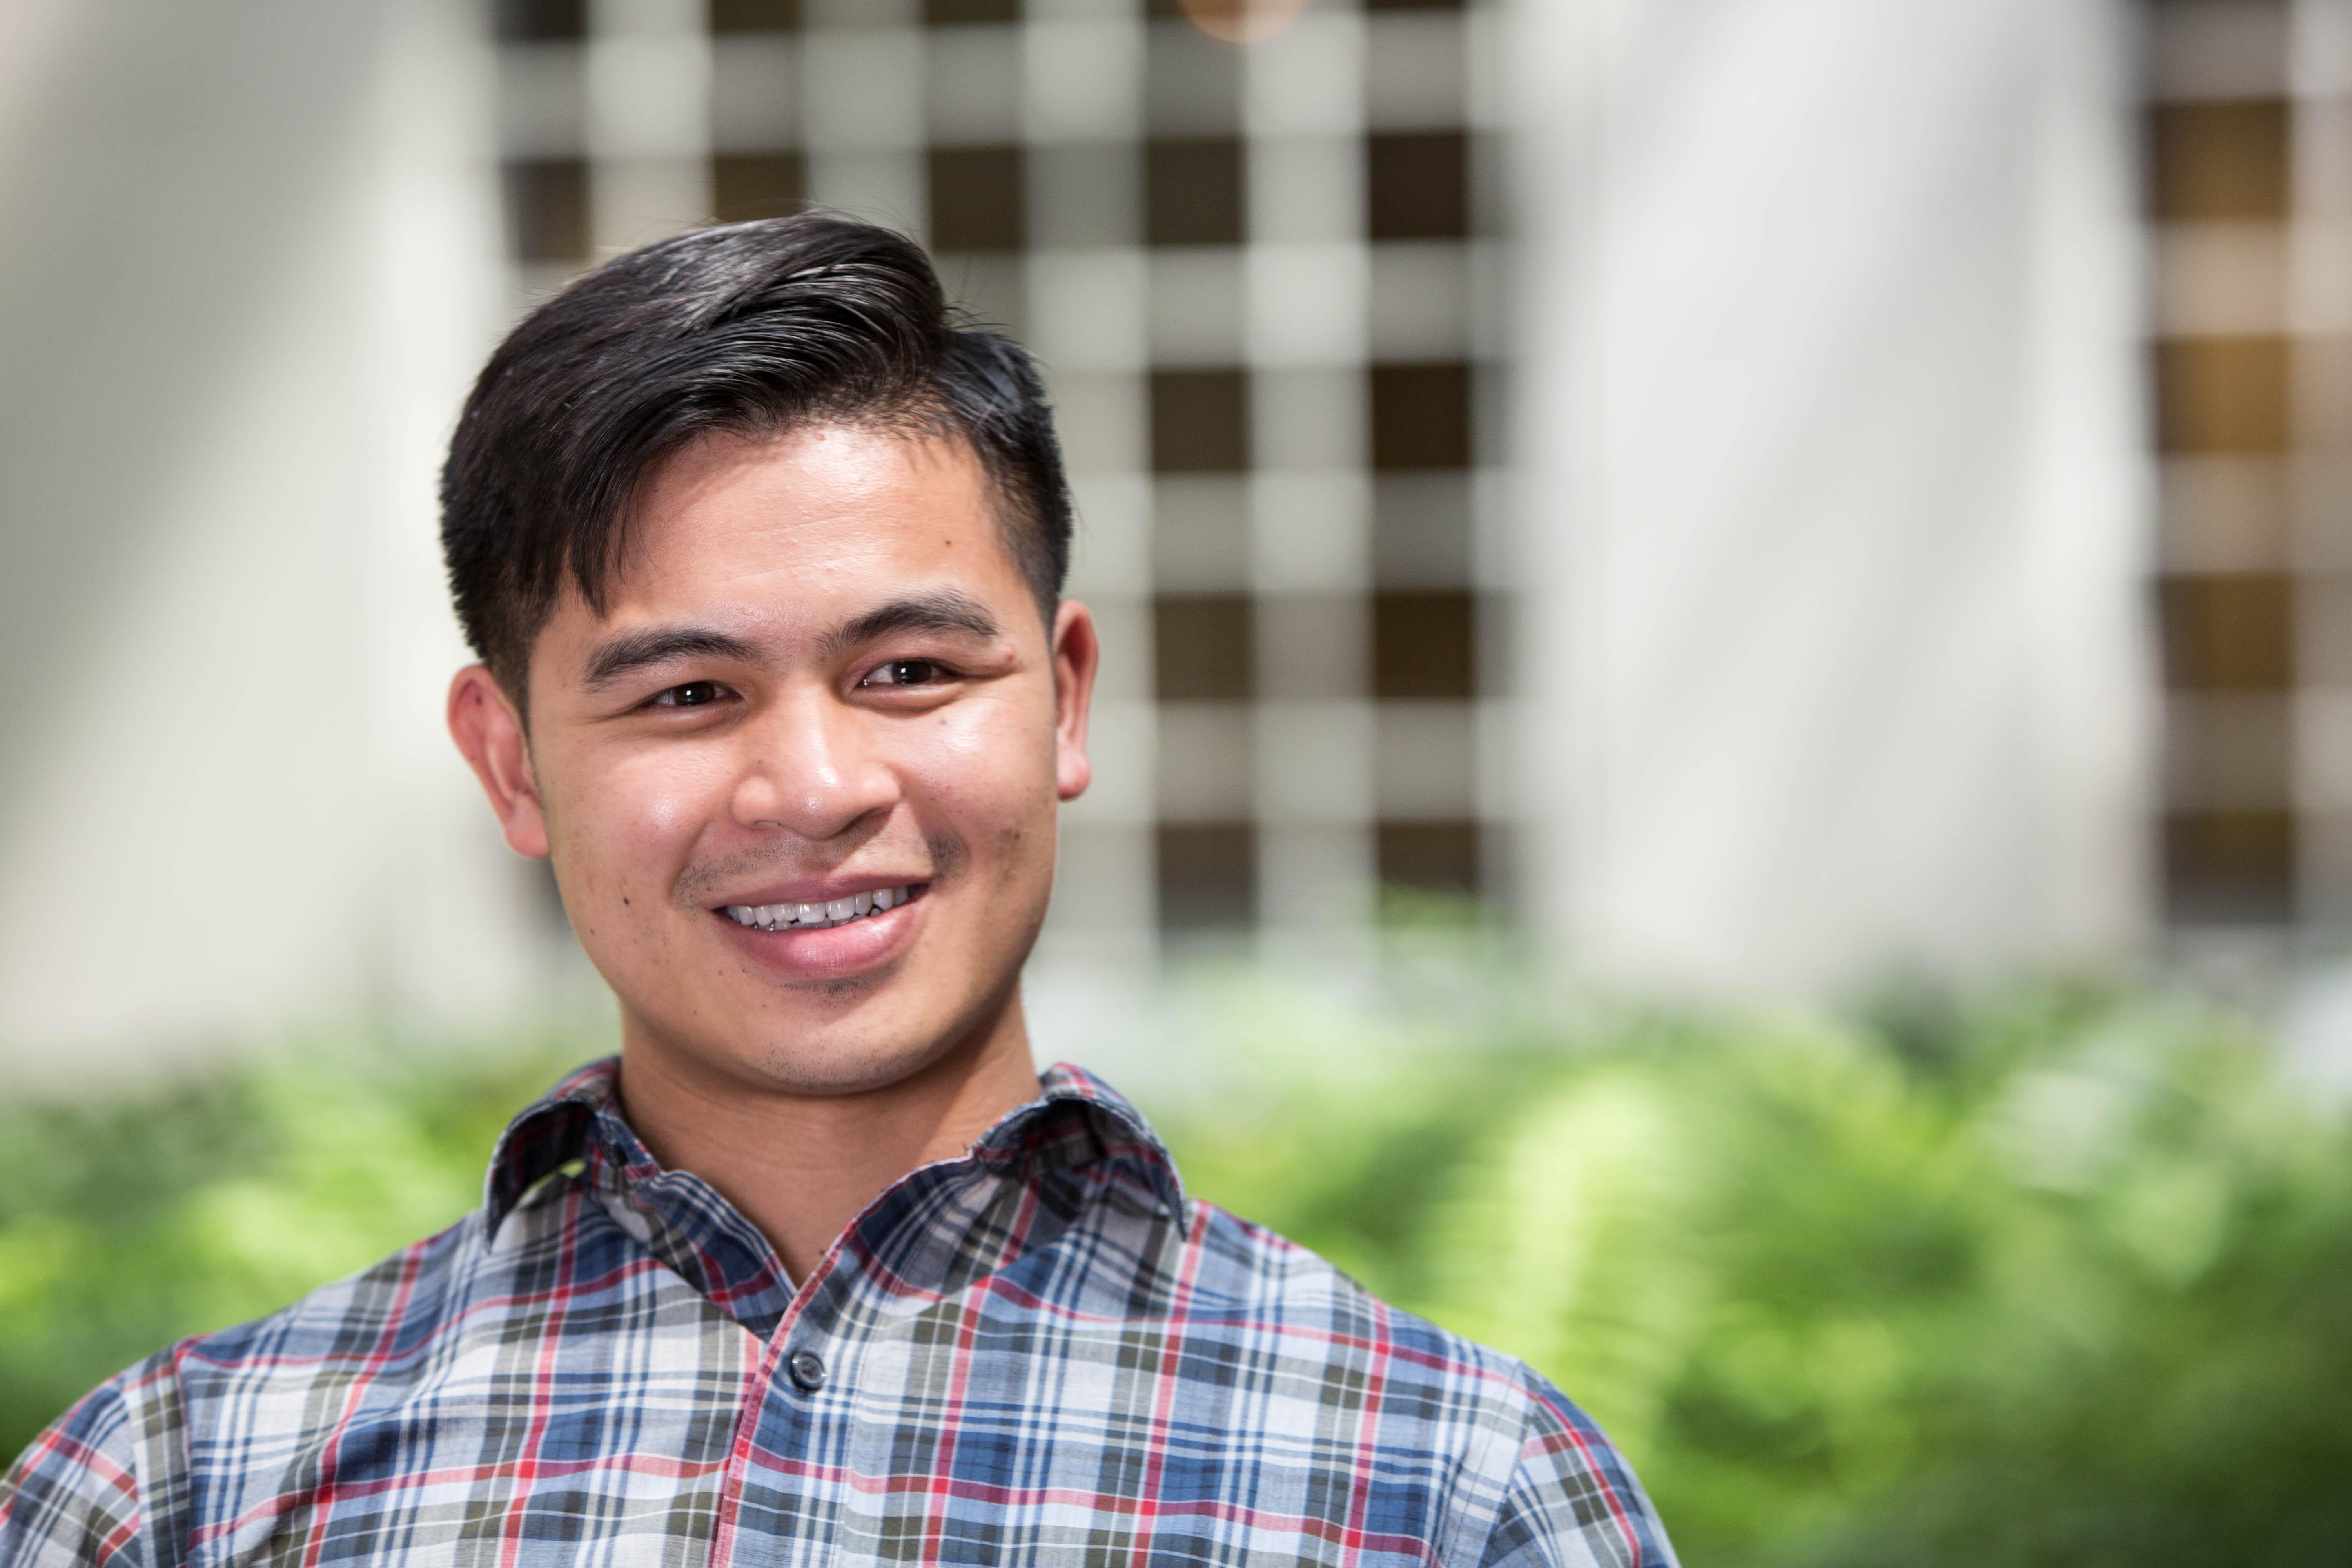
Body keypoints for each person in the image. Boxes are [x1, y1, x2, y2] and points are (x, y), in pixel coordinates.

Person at [0, 216, 1675, 1566]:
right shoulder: (175, 1494)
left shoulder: (1449, 1487)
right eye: (687, 694)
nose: (814, 788)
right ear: (510, 764)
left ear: (1064, 699)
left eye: (909, 671)